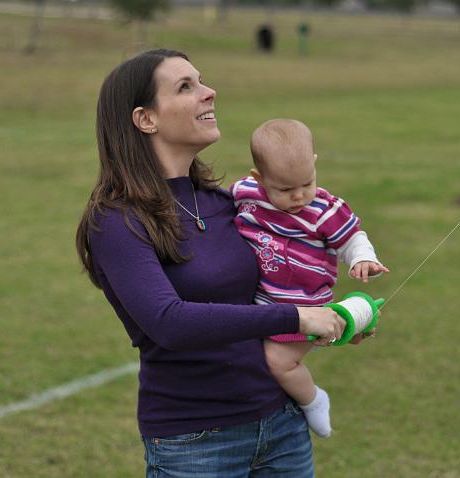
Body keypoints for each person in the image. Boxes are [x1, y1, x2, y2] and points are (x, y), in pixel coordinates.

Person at [75, 49, 371, 477]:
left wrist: (337, 317)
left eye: (202, 81)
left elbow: (284, 276)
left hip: (281, 426)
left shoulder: (226, 201)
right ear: (145, 119)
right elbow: (169, 323)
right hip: (195, 443)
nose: (209, 93)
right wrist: (296, 317)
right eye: (186, 87)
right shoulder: (118, 220)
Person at [230, 119, 389, 438]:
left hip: (304, 306)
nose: (299, 196)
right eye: (285, 190)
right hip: (261, 301)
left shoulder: (324, 209)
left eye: (307, 182)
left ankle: (313, 400)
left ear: (313, 164)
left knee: (279, 362)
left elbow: (352, 237)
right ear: (258, 179)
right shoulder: (245, 194)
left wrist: (362, 258)